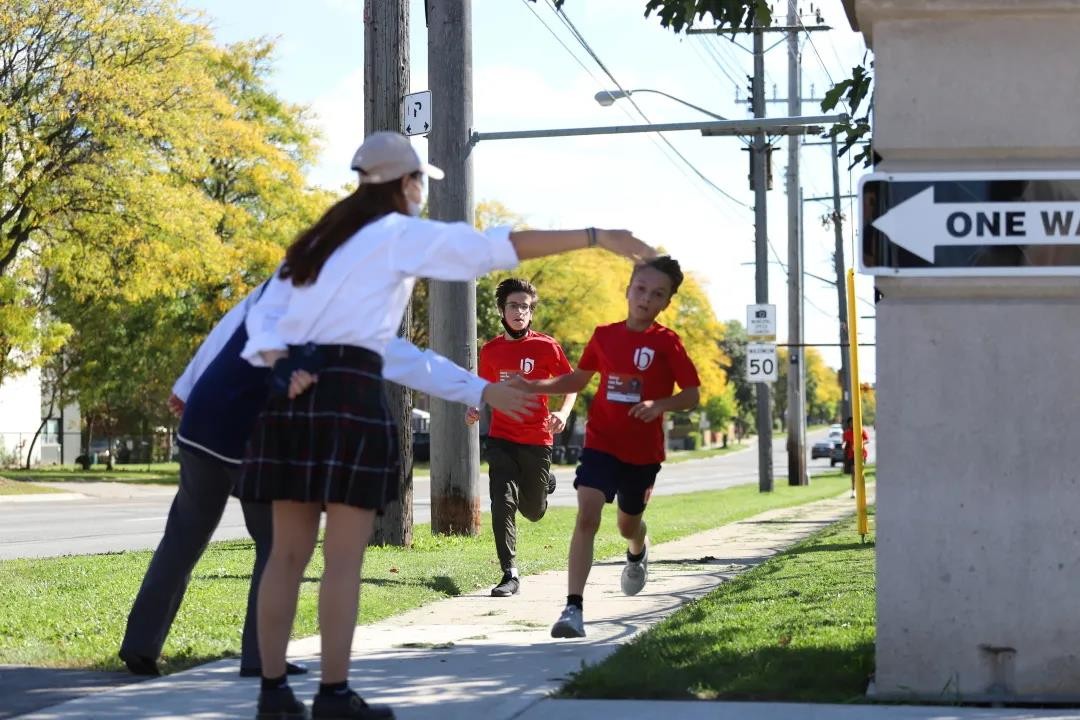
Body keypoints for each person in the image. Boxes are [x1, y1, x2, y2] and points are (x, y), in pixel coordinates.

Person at [236, 131, 655, 720]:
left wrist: (285, 364)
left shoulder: (313, 245)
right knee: (342, 562)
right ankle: (333, 696)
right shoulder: (398, 233)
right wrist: (594, 236)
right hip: (350, 400)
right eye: (419, 184)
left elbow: (269, 327)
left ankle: (274, 695)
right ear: (405, 185)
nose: (420, 195)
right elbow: (491, 249)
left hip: (290, 400)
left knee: (286, 556)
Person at [120, 268, 532, 679]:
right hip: (252, 433)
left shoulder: (286, 281)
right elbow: (413, 364)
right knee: (278, 542)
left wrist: (187, 383)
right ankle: (262, 655)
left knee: (185, 532)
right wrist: (481, 389)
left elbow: (230, 323)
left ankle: (140, 644)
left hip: (206, 417)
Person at [516, 256, 700, 639]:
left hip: (643, 454)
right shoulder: (603, 336)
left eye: (657, 294)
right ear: (629, 289)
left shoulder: (667, 343)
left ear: (666, 302)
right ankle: (573, 609)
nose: (646, 299)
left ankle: (637, 549)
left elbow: (693, 394)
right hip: (601, 444)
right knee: (587, 517)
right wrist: (532, 386)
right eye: (641, 289)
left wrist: (660, 405)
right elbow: (577, 380)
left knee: (627, 524)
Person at [465, 278, 576, 597]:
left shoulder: (546, 346)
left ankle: (544, 484)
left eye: (525, 307)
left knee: (534, 511)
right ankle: (509, 573)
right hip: (501, 438)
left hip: (538, 438)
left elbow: (571, 384)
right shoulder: (491, 350)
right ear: (502, 310)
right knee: (502, 502)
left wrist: (564, 414)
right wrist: (475, 408)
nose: (520, 312)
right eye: (513, 306)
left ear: (531, 312)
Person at [842, 416, 870, 496]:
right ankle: (853, 490)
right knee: (853, 471)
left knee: (860, 472)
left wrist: (861, 443)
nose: (852, 424)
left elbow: (867, 440)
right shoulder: (846, 433)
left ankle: (862, 489)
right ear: (849, 424)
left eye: (853, 422)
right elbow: (844, 442)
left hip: (861, 454)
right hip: (851, 455)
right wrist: (843, 445)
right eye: (850, 422)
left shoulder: (861, 430)